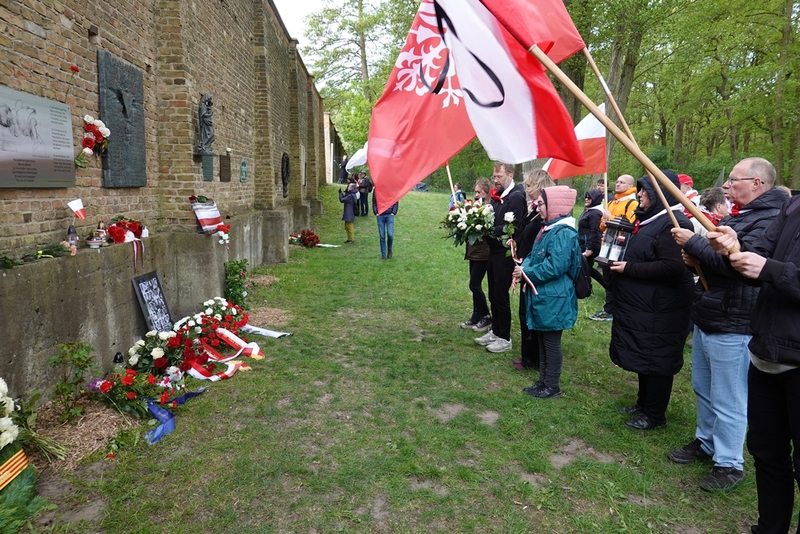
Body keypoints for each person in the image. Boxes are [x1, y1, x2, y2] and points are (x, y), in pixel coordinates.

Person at [669, 158, 787, 492]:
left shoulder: (768, 219)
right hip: (712, 313)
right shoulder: (742, 215)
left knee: (729, 397)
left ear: (757, 184)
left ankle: (730, 463)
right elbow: (716, 262)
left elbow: (737, 266)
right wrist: (695, 258)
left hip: (735, 321)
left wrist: (693, 243)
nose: (727, 186)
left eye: (734, 180)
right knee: (703, 388)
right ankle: (706, 442)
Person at [707, 189, 800, 533]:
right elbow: (757, 256)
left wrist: (773, 270)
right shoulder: (794, 204)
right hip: (765, 352)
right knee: (766, 453)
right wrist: (734, 248)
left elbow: (771, 268)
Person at [609, 170, 694, 430]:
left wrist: (629, 269)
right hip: (646, 307)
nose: (640, 195)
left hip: (663, 308)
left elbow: (673, 267)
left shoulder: (674, 224)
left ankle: (655, 414)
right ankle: (643, 403)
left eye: (645, 190)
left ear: (661, 195)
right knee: (645, 356)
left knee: (657, 360)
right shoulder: (651, 221)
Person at [515, 185, 581, 398]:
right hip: (544, 295)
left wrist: (528, 272)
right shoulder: (548, 229)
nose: (537, 206)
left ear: (555, 206)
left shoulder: (564, 234)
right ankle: (543, 380)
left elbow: (556, 266)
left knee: (551, 342)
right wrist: (523, 266)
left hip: (555, 296)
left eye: (541, 203)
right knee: (543, 339)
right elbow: (535, 256)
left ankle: (552, 385)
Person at [474, 162, 527, 354]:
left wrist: (488, 229)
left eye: (500, 177)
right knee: (493, 292)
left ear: (510, 175)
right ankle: (496, 330)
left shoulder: (516, 197)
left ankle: (504, 336)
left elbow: (512, 228)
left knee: (500, 294)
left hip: (506, 253)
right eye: (494, 177)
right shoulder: (497, 197)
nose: (495, 181)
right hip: (493, 250)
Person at [511, 170, 555, 370]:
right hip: (524, 264)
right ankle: (528, 355)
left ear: (539, 185)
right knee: (524, 311)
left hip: (533, 268)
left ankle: (534, 358)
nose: (526, 189)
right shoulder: (533, 209)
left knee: (531, 312)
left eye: (529, 185)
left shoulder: (546, 213)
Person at [589, 174, 638, 321]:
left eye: (622, 182)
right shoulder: (612, 202)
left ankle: (614, 309)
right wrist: (604, 221)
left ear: (630, 186)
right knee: (607, 278)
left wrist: (609, 218)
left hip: (619, 247)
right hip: (606, 245)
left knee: (616, 279)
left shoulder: (631, 203)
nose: (617, 184)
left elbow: (630, 225)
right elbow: (602, 226)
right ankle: (608, 308)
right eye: (617, 181)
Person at [461, 178, 492, 331]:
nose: (476, 195)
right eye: (475, 192)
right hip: (473, 251)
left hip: (483, 252)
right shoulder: (474, 207)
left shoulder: (488, 209)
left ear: (487, 192)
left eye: (479, 192)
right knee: (474, 284)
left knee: (474, 284)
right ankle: (476, 315)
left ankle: (486, 315)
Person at [578, 189, 605, 286]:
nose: (586, 199)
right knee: (586, 268)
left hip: (592, 245)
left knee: (586, 268)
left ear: (595, 199)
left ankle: (608, 287)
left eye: (589, 197)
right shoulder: (589, 210)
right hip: (584, 243)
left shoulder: (595, 213)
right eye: (586, 196)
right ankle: (588, 286)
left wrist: (589, 248)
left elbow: (594, 231)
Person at [372, 188, 398, 260]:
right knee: (382, 235)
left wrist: (393, 212)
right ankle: (383, 255)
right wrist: (376, 212)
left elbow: (396, 200)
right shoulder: (377, 189)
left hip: (389, 214)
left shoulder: (392, 188)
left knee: (390, 234)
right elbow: (374, 201)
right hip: (380, 215)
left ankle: (389, 249)